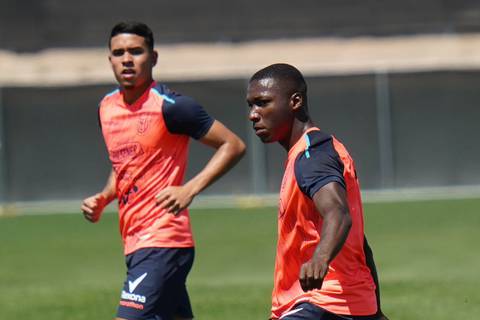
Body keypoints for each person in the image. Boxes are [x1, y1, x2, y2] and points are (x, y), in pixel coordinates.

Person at [81, 21, 245, 320]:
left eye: (136, 51)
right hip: (134, 241)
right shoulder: (106, 108)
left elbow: (232, 145)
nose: (127, 59)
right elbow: (124, 165)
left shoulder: (172, 106)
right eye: (119, 53)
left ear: (153, 58)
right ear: (110, 60)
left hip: (164, 241)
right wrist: (105, 196)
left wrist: (190, 189)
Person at [246, 63, 388, 320]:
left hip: (323, 303)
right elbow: (359, 244)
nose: (253, 114)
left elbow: (339, 214)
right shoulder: (315, 151)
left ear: (295, 101)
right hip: (343, 304)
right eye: (251, 106)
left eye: (263, 103)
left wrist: (320, 258)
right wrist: (375, 311)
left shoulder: (312, 155)